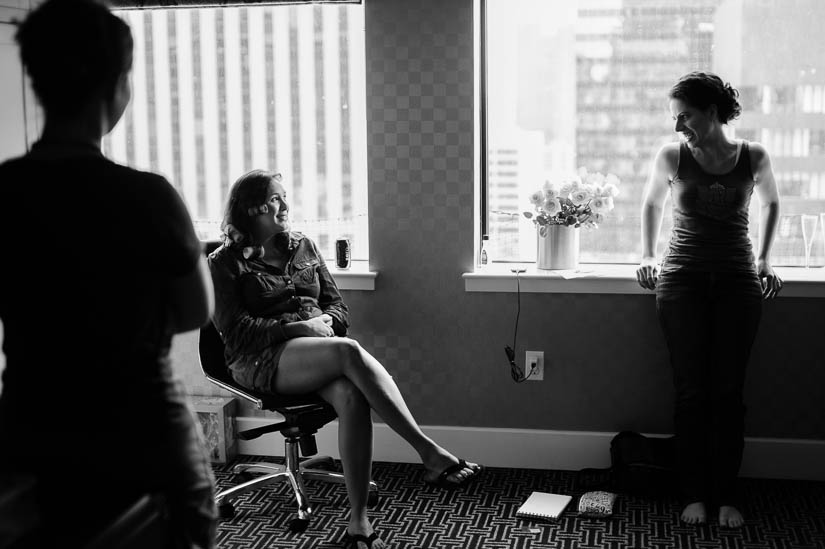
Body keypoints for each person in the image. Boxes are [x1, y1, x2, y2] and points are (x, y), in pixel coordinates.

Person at [0, 1, 217, 547]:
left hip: (33, 423)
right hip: (140, 428)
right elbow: (197, 311)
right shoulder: (149, 197)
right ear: (115, 85)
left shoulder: (3, 193)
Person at [208, 169, 482, 549]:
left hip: (316, 353)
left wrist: (324, 323)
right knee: (349, 351)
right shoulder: (224, 263)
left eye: (285, 196)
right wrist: (298, 330)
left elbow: (337, 306)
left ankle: (358, 522)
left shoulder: (303, 246)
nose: (285, 205)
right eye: (275, 199)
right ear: (250, 208)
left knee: (352, 399)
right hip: (258, 361)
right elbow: (235, 332)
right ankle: (428, 452)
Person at [636, 71, 782, 528]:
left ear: (712, 112)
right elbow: (652, 204)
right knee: (691, 391)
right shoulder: (672, 155)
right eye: (676, 118)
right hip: (682, 281)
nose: (680, 126)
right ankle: (695, 493)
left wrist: (764, 260)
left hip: (738, 283)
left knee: (728, 393)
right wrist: (646, 254)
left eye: (686, 116)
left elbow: (774, 203)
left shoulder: (752, 155)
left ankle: (726, 495)